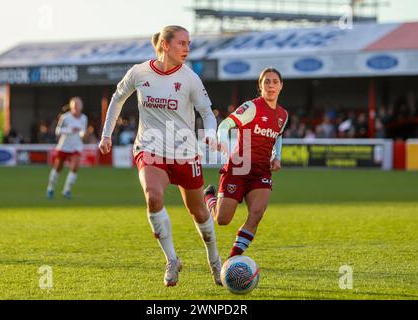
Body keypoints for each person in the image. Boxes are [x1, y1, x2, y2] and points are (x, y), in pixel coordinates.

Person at [98, 25, 222, 287]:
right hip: (150, 148)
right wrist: (106, 134)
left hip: (185, 153)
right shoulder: (139, 72)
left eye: (189, 44)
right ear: (165, 45)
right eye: (181, 43)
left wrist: (210, 133)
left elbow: (208, 113)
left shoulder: (190, 78)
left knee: (199, 212)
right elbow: (117, 98)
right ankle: (172, 260)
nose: (187, 48)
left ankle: (214, 260)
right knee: (153, 197)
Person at [204, 67, 288, 259]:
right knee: (222, 219)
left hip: (261, 172)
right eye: (266, 81)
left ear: (281, 86)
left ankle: (232, 260)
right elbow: (226, 124)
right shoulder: (251, 107)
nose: (271, 85)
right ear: (260, 86)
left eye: (275, 81)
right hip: (239, 167)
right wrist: (222, 141)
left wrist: (277, 157)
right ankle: (209, 197)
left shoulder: (283, 115)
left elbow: (279, 135)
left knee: (256, 214)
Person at [46, 97, 88, 200]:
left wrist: (83, 134)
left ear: (81, 106)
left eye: (78, 105)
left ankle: (66, 190)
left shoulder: (84, 118)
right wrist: (70, 130)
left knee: (75, 167)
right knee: (58, 168)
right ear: (71, 106)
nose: (76, 107)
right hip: (64, 146)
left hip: (76, 146)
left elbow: (83, 131)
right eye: (74, 105)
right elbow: (57, 131)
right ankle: (50, 188)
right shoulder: (65, 117)